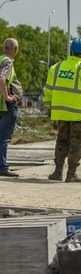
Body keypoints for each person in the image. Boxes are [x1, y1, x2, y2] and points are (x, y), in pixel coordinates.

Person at [43, 38, 81, 183]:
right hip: (80, 115)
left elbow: (48, 90)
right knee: (77, 143)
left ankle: (57, 172)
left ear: (71, 52)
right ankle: (71, 174)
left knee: (62, 140)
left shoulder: (56, 68)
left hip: (61, 114)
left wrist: (49, 106)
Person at [0, 38, 23, 178]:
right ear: (15, 50)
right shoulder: (7, 61)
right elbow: (2, 79)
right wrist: (7, 97)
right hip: (6, 105)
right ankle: (2, 167)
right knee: (3, 137)